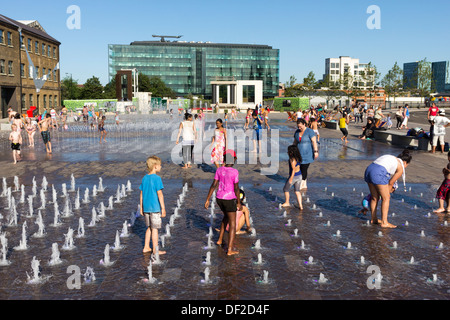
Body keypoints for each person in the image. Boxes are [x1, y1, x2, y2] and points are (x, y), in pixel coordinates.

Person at [204, 149, 241, 256]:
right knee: (232, 225)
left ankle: (220, 240)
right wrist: (238, 202)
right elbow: (236, 188)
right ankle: (230, 250)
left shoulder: (219, 170)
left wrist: (207, 199)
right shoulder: (235, 172)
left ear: (224, 159)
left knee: (225, 217)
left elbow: (213, 185)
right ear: (234, 160)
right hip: (229, 200)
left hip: (219, 199)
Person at [364, 150, 412, 228]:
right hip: (378, 172)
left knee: (374, 197)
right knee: (386, 198)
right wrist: (387, 193)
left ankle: (374, 219)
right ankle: (384, 222)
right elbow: (391, 183)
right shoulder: (400, 167)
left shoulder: (392, 158)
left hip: (369, 169)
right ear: (405, 163)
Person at [139, 156, 166, 254]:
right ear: (155, 166)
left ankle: (146, 247)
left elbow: (141, 194)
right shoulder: (157, 178)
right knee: (155, 229)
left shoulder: (144, 178)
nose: (161, 167)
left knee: (149, 227)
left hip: (146, 208)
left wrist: (141, 207)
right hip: (155, 208)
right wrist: (163, 208)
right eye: (160, 165)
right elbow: (160, 194)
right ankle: (155, 249)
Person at [293, 118, 319, 190]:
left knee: (304, 168)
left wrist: (316, 151)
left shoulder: (309, 131)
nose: (299, 128)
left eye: (300, 126)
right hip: (298, 154)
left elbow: (314, 141)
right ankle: (303, 183)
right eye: (298, 126)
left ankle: (303, 183)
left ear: (304, 124)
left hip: (308, 154)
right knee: (299, 168)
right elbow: (295, 142)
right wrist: (292, 150)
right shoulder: (297, 132)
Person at [281, 145, 303, 210]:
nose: (287, 152)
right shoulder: (298, 157)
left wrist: (290, 179)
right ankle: (301, 206)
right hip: (299, 176)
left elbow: (293, 169)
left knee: (285, 189)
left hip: (294, 176)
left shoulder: (292, 159)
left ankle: (287, 202)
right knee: (297, 191)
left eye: (288, 151)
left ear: (291, 152)